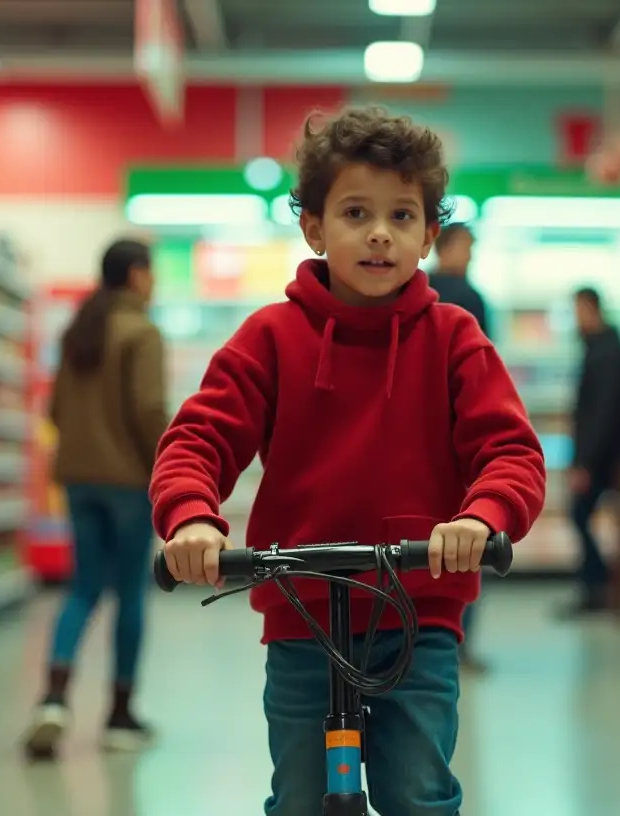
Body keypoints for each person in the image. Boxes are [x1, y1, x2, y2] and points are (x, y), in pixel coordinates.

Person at [152, 107, 547, 815]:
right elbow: (199, 438)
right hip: (304, 620)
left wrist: (481, 518)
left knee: (417, 793)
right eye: (356, 212)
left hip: (418, 616)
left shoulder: (455, 338)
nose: (378, 233)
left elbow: (509, 450)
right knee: (299, 797)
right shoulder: (271, 337)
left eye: (402, 217)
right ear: (313, 227)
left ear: (429, 234)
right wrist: (191, 519)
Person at [22, 238, 168, 759]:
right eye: (151, 273)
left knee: (82, 587)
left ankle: (53, 701)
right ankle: (119, 715)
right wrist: (172, 469)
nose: (154, 283)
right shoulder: (142, 332)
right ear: (134, 274)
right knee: (130, 592)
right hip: (128, 482)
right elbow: (150, 411)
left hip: (78, 481)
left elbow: (56, 410)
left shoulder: (78, 329)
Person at [428, 222, 491, 673]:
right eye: (466, 247)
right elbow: (485, 375)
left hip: (424, 439)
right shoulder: (469, 299)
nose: (470, 255)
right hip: (458, 442)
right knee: (468, 542)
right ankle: (457, 641)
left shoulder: (416, 290)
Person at [564, 286, 620, 617]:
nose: (575, 318)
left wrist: (585, 460)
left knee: (580, 513)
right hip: (606, 453)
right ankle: (595, 585)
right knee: (585, 516)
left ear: (590, 308)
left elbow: (601, 411)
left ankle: (596, 586)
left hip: (605, 456)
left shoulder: (605, 352)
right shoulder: (603, 347)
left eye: (577, 310)